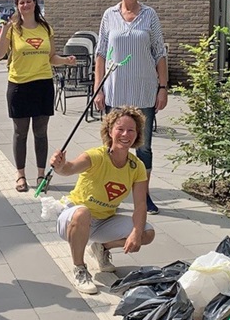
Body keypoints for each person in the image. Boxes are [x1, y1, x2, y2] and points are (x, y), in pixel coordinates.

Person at [50, 106, 155, 294]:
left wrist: (136, 233)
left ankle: (101, 247)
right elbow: (69, 168)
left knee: (147, 232)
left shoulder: (136, 166)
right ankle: (80, 269)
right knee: (83, 212)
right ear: (109, 131)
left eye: (131, 130)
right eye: (120, 129)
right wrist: (60, 165)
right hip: (73, 217)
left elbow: (140, 205)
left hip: (103, 222)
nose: (125, 134)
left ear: (137, 134)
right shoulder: (96, 156)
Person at [93, 0, 168, 215]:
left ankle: (143, 195)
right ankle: (110, 194)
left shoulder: (150, 15)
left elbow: (160, 52)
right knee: (113, 144)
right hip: (115, 90)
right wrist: (98, 88)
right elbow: (101, 53)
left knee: (143, 146)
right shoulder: (109, 15)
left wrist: (162, 87)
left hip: (143, 90)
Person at [0, 0, 75, 192]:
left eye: (29, 1)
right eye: (21, 2)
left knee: (40, 132)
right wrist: (4, 28)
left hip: (43, 85)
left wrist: (65, 60)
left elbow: (51, 57)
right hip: (19, 86)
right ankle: (20, 175)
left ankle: (40, 175)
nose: (25, 5)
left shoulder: (45, 28)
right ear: (17, 6)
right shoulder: (12, 29)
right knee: (20, 133)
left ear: (35, 3)